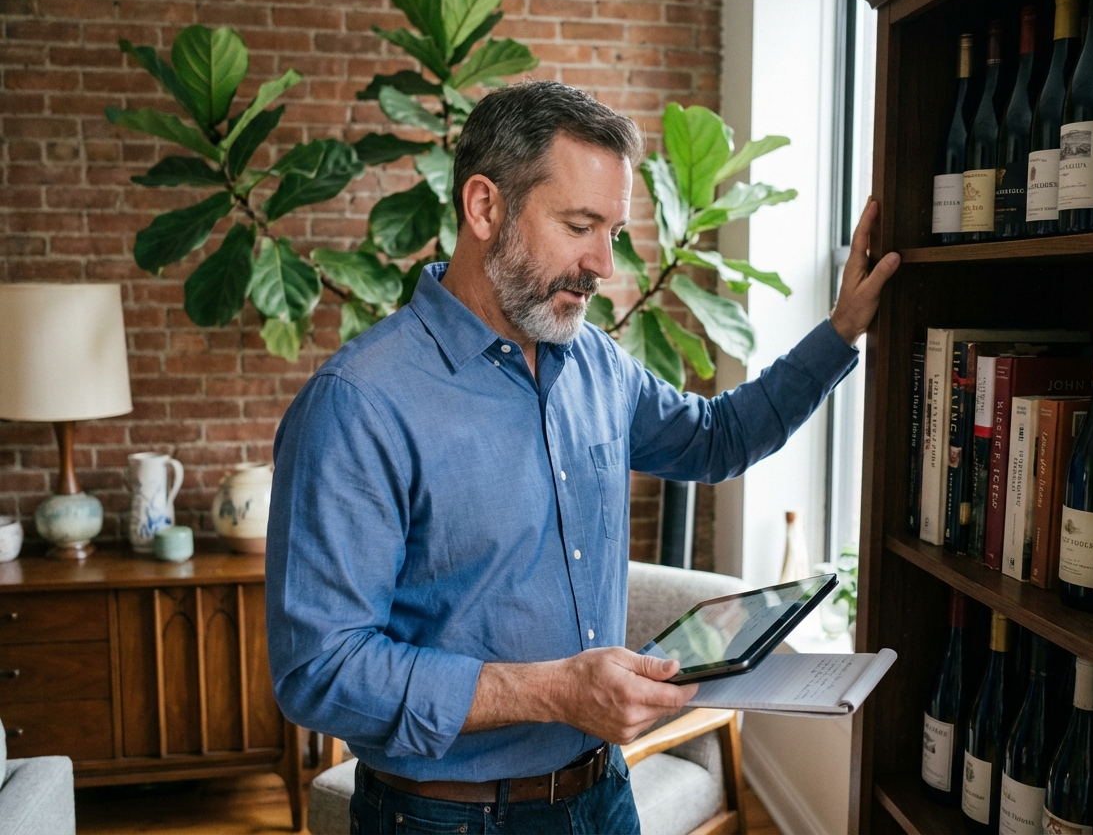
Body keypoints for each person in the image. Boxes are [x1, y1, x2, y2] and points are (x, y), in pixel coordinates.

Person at [265, 80, 899, 834]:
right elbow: (321, 671)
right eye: (579, 226)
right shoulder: (356, 403)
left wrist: (841, 330)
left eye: (614, 232)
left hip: (604, 796)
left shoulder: (596, 362)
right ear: (484, 207)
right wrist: (554, 691)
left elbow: (717, 438)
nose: (604, 263)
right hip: (447, 819)